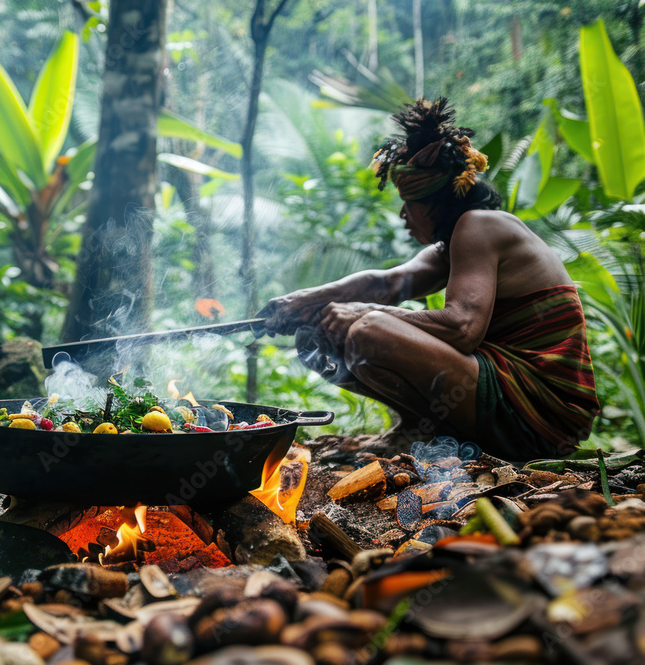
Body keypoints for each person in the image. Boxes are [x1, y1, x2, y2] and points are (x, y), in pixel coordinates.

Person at [257, 98, 600, 460]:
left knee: (369, 329)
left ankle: (429, 432)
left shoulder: (480, 225)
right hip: (506, 397)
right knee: (319, 334)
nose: (403, 215)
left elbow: (462, 328)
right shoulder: (457, 241)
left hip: (538, 415)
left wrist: (360, 313)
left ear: (435, 201)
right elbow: (389, 282)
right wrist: (301, 302)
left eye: (410, 203)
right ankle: (415, 428)